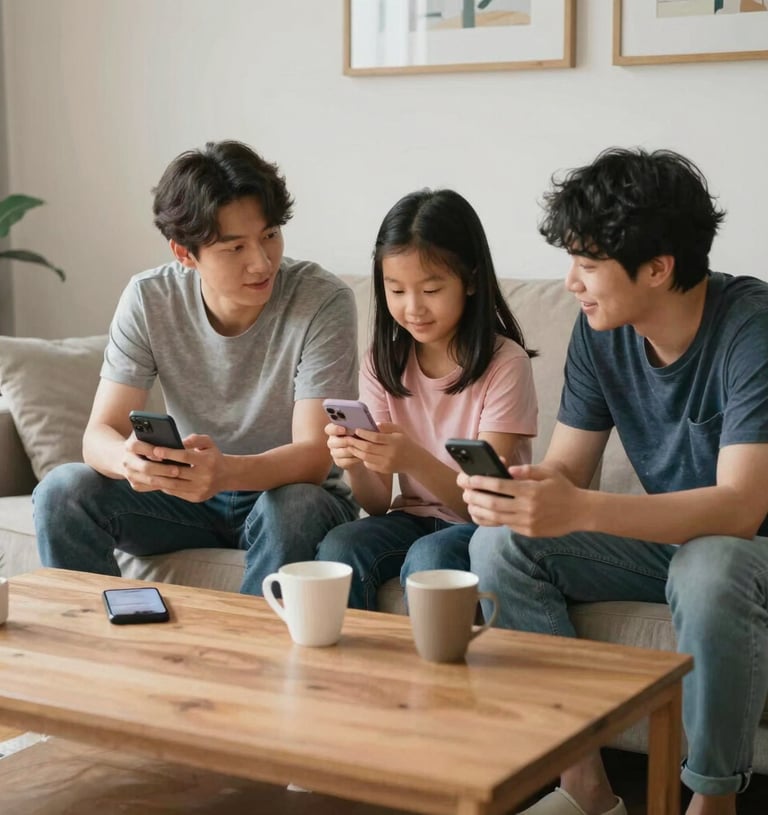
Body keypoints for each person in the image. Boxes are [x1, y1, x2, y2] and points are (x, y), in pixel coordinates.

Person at [458, 147, 768, 815]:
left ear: (658, 268)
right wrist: (525, 492)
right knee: (498, 547)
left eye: (588, 263)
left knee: (709, 565)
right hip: (675, 542)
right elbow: (570, 469)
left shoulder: (752, 329)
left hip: (747, 551)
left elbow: (741, 509)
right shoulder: (601, 332)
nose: (571, 281)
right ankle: (587, 790)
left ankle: (712, 800)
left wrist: (580, 507)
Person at [33, 140, 360, 595]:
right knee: (62, 490)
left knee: (297, 506)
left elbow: (312, 457)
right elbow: (97, 435)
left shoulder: (322, 300)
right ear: (184, 253)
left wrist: (225, 472)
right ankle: (97, 648)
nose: (262, 262)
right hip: (183, 499)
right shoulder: (150, 298)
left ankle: (251, 658)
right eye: (235, 247)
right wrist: (127, 461)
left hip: (283, 495)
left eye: (269, 235)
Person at [316, 188, 537, 610]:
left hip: (484, 526)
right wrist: (355, 462)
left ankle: (439, 675)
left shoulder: (505, 364)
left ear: (471, 280)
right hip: (410, 519)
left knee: (430, 556)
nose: (412, 307)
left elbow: (484, 507)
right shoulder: (381, 363)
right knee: (342, 545)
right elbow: (378, 504)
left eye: (431, 290)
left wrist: (412, 459)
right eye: (396, 291)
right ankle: (353, 673)